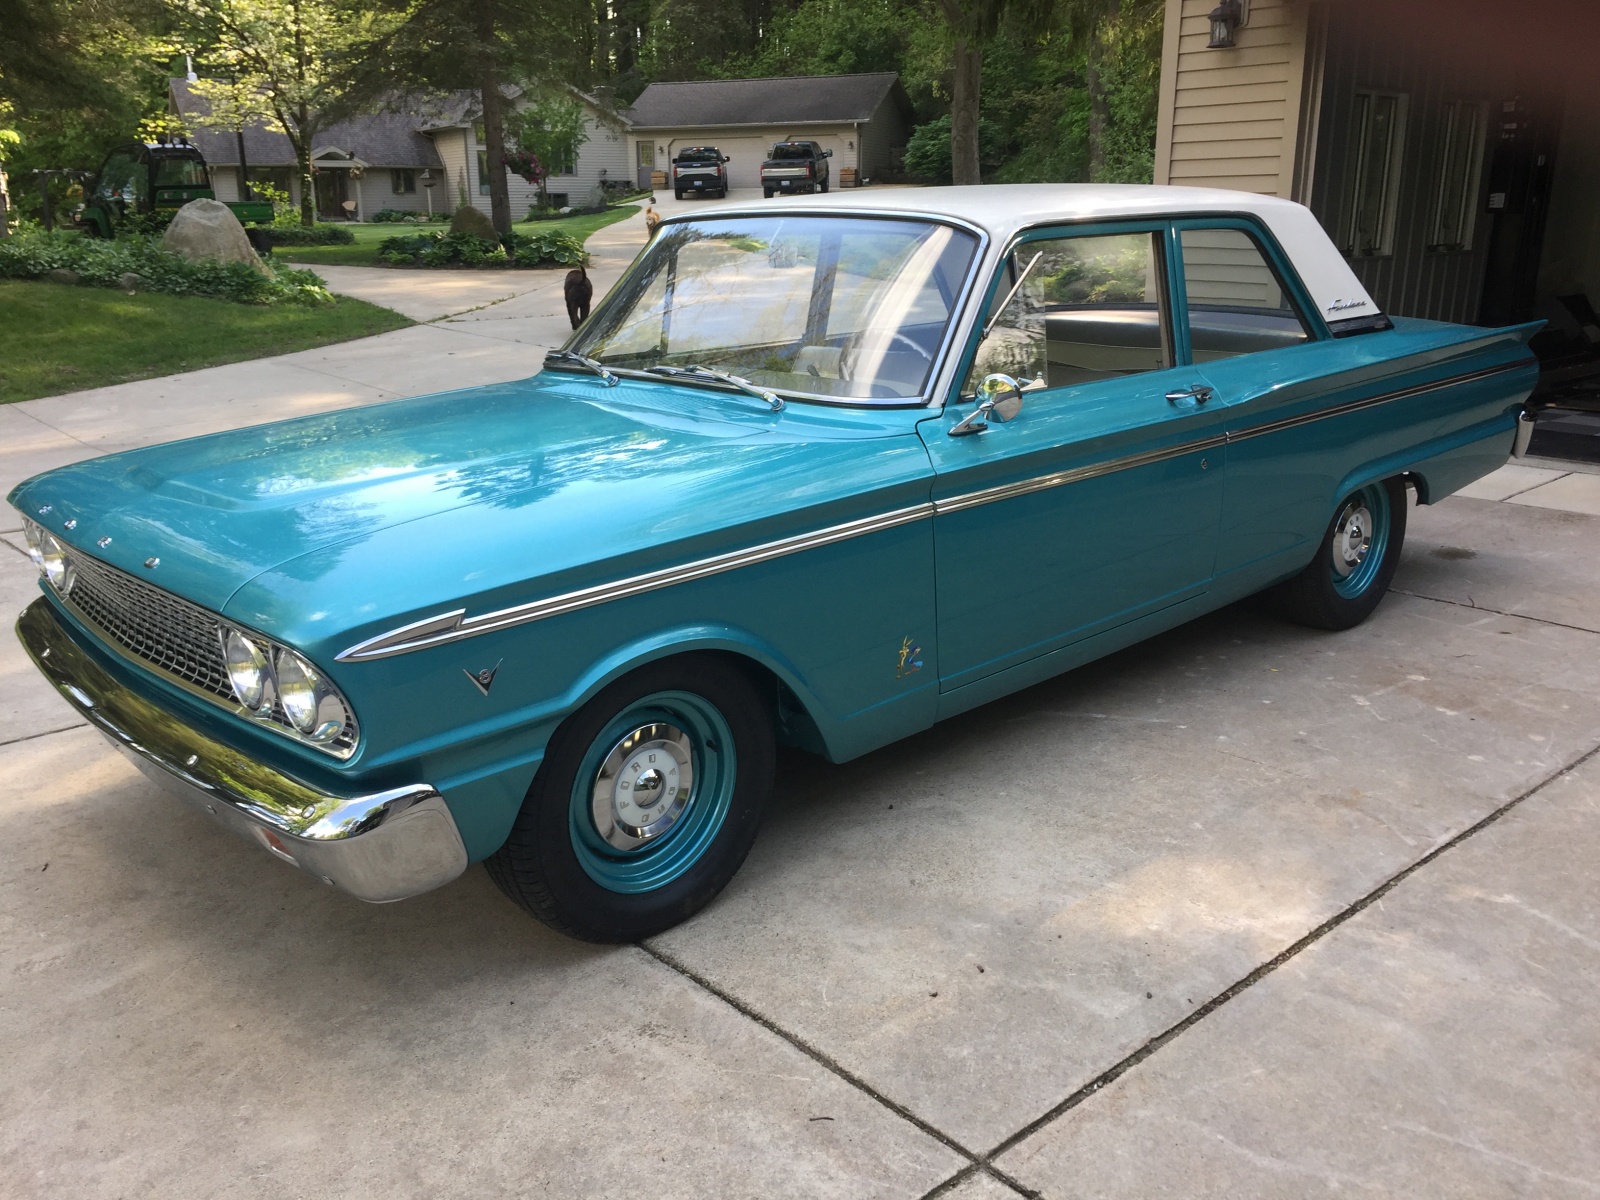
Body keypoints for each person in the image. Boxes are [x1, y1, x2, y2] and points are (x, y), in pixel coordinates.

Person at [564, 264, 593, 329]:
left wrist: (574, 323)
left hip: (573, 290)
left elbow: (569, 307)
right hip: (586, 286)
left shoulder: (570, 279)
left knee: (572, 307)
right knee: (585, 306)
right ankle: (583, 325)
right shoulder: (585, 280)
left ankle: (575, 325)